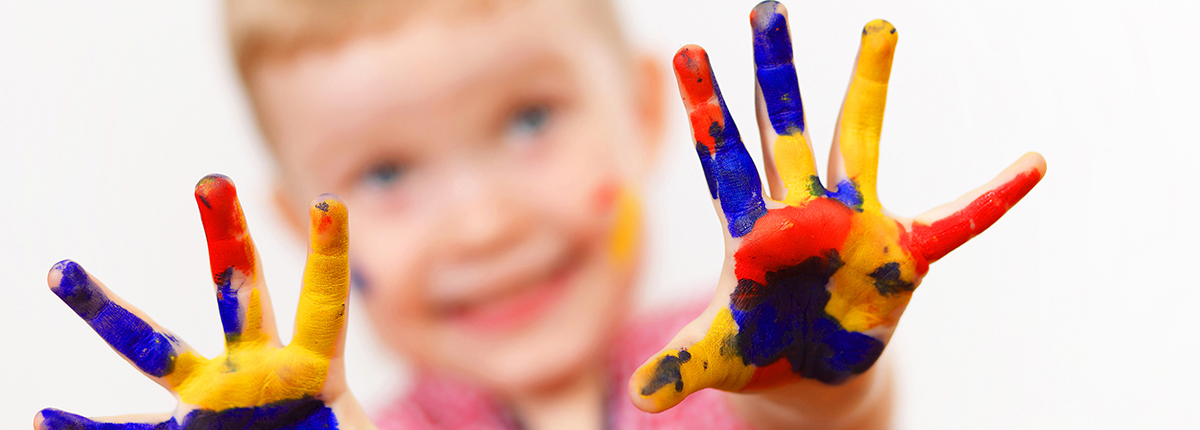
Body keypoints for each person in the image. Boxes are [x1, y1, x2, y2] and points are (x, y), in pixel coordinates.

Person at [33, 1, 1045, 429]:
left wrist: (815, 382)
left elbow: (811, 420)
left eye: (529, 119)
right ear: (309, 226)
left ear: (647, 117)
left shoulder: (720, 363)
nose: (481, 223)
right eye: (384, 174)